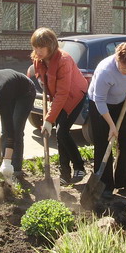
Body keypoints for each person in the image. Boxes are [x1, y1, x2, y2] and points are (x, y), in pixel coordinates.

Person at [30, 27, 88, 186]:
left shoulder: (64, 60)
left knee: (62, 132)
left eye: (41, 47)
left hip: (74, 95)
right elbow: (40, 74)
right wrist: (42, 81)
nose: (38, 50)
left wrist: (49, 119)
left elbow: (63, 93)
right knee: (60, 134)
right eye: (35, 46)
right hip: (58, 97)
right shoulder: (38, 59)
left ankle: (79, 167)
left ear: (51, 45)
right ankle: (65, 174)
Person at [88, 41, 126, 199]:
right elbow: (99, 100)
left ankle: (123, 180)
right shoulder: (106, 70)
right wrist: (112, 126)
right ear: (117, 59)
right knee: (103, 143)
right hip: (101, 105)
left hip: (122, 102)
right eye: (122, 67)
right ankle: (105, 184)